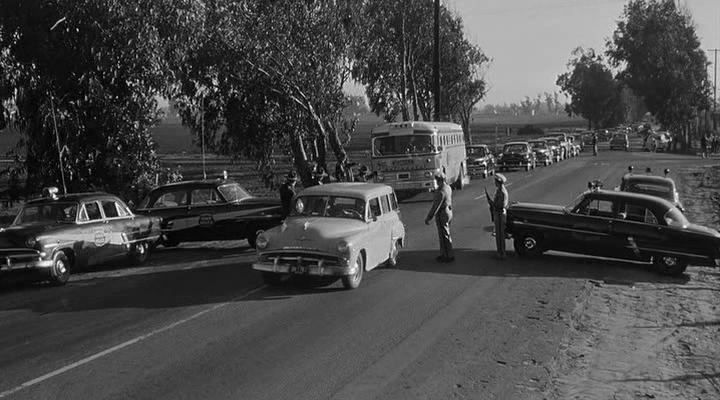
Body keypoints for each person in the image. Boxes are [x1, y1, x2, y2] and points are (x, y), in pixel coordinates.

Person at [425, 173, 454, 262]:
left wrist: (429, 217)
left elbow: (436, 206)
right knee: (446, 233)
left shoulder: (441, 191)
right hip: (448, 211)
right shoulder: (448, 187)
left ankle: (447, 256)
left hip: (442, 213)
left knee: (443, 235)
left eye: (438, 180)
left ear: (441, 180)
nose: (437, 182)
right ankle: (445, 254)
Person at [491, 173, 509, 259]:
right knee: (498, 235)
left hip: (500, 214)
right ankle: (500, 251)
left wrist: (493, 204)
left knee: (501, 235)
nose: (494, 183)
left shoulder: (502, 192)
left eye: (495, 181)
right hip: (498, 213)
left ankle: (502, 252)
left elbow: (501, 204)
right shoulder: (499, 190)